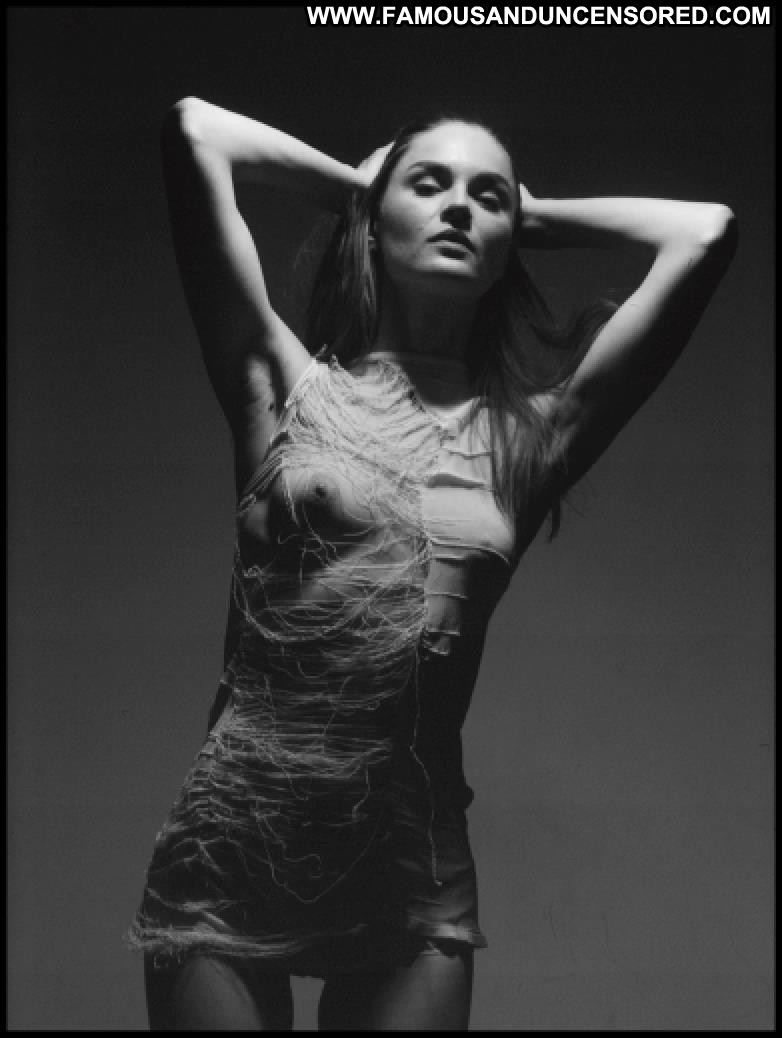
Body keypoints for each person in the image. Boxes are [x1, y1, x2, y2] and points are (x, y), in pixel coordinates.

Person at [128, 96, 736, 1031]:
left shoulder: (534, 435)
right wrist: (360, 186)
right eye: (430, 185)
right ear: (374, 222)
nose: (460, 206)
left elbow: (705, 231)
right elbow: (194, 130)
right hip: (235, 843)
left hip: (412, 867)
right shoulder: (281, 382)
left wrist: (531, 215)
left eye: (489, 196)